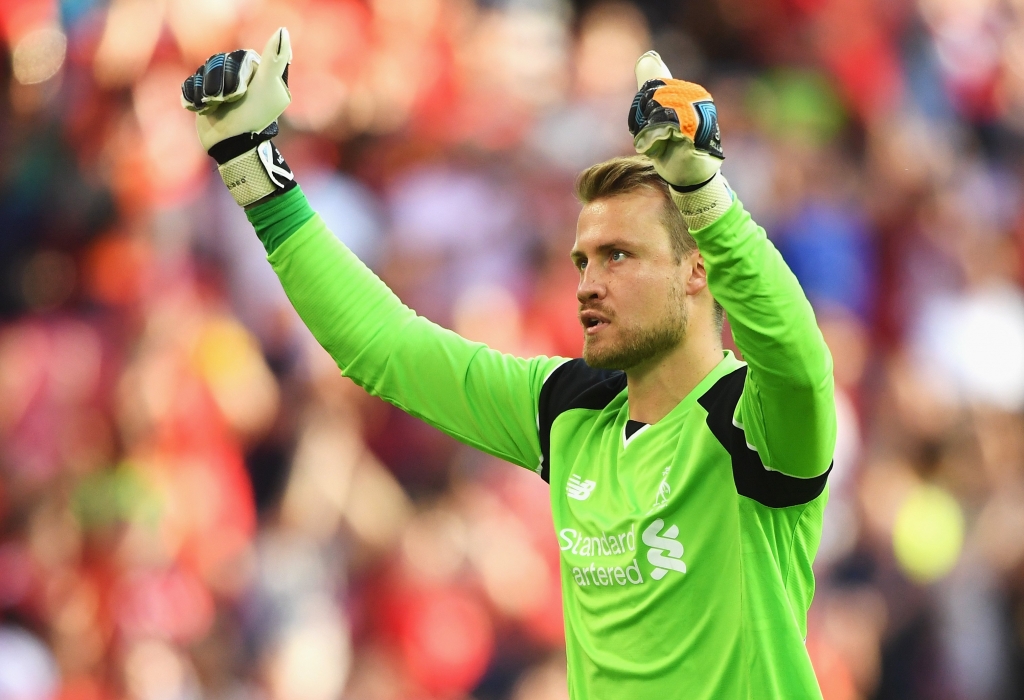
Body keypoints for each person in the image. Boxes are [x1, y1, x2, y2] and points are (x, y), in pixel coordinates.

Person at [181, 28, 836, 699]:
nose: (587, 284)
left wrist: (704, 196)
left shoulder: (756, 421)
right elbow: (382, 345)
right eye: (584, 260)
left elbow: (796, 357)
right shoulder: (569, 411)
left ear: (698, 270)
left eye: (619, 256)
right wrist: (251, 170)